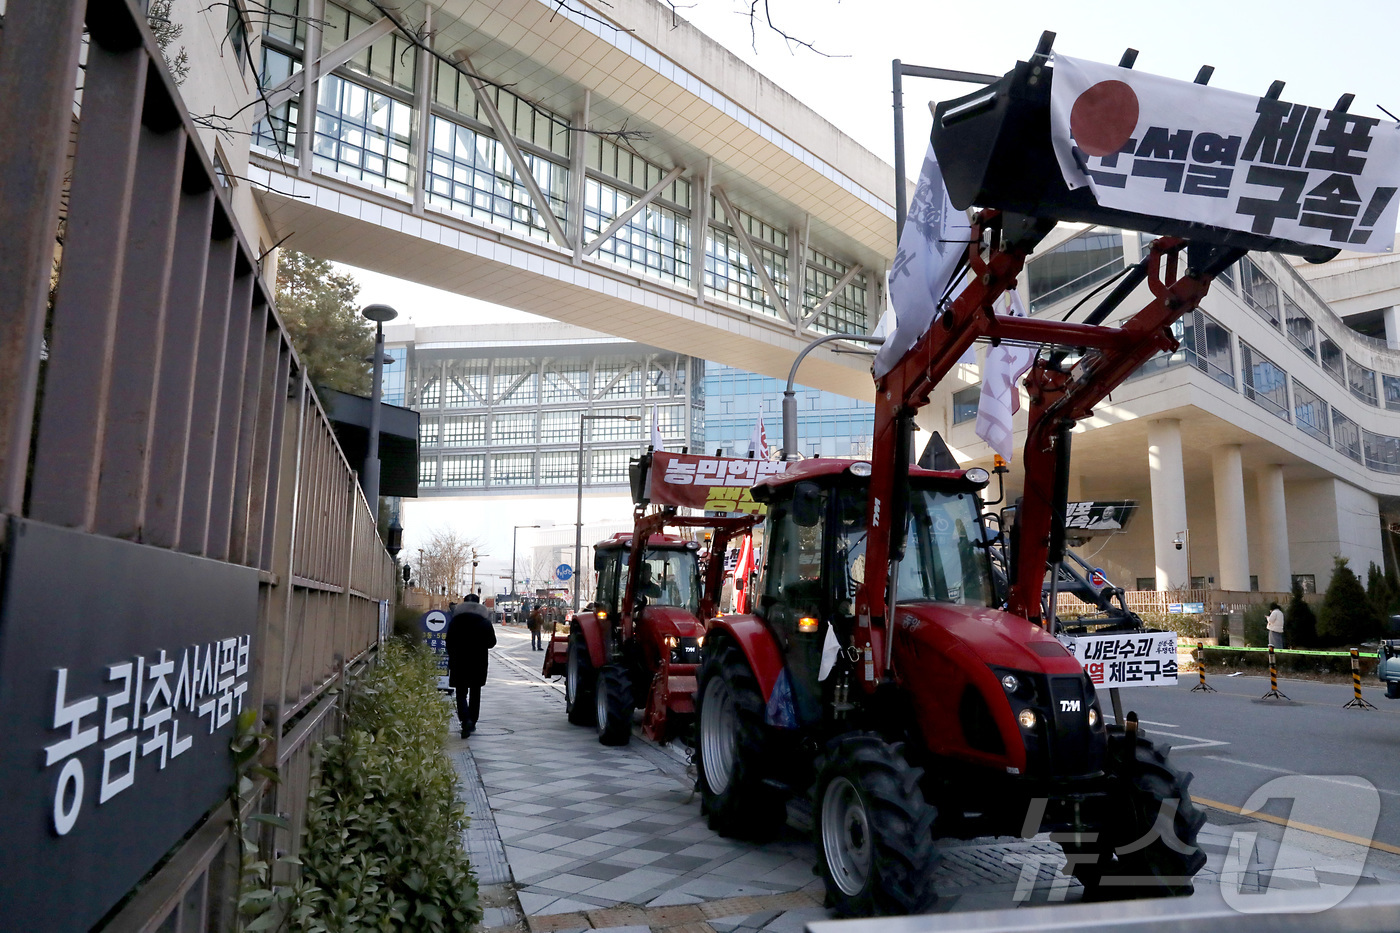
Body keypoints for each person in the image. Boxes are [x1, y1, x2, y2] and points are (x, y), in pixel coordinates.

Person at [446, 593, 496, 737]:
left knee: (460, 692)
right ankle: (472, 721)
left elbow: (449, 642)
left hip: (459, 662)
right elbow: (492, 643)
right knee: (475, 692)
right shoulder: (484, 622)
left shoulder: (455, 621)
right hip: (478, 663)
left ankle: (464, 719)